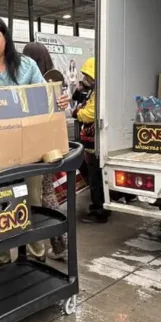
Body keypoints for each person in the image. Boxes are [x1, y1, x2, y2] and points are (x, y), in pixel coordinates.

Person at [0, 15, 70, 268]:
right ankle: (2, 258)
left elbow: (45, 99)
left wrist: (59, 101)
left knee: (30, 201)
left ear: (5, 38)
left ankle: (37, 253)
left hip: (27, 149)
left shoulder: (26, 65)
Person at [22, 42, 68, 259]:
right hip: (53, 144)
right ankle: (60, 244)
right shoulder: (54, 78)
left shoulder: (30, 81)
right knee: (48, 194)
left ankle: (51, 245)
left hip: (36, 146)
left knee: (40, 196)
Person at [72, 57, 108, 223]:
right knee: (95, 175)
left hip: (94, 143)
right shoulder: (95, 91)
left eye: (87, 76)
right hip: (91, 141)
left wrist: (77, 113)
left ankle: (99, 210)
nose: (85, 79)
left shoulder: (99, 92)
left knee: (95, 176)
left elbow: (89, 114)